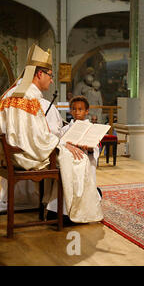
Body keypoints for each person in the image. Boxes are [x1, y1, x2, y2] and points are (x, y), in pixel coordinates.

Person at [0, 44, 103, 223]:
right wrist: (63, 144)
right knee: (78, 157)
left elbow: (31, 136)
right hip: (25, 157)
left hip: (9, 155)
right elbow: (37, 140)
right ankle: (69, 213)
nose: (52, 81)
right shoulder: (29, 99)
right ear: (39, 74)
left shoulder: (9, 94)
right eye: (50, 75)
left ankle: (57, 207)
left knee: (69, 152)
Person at [46, 96, 102, 219]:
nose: (77, 112)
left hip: (85, 160)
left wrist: (91, 149)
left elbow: (96, 149)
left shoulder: (91, 128)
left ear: (87, 111)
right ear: (70, 111)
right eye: (74, 109)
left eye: (80, 109)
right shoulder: (65, 129)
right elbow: (60, 144)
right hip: (68, 162)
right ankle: (61, 209)